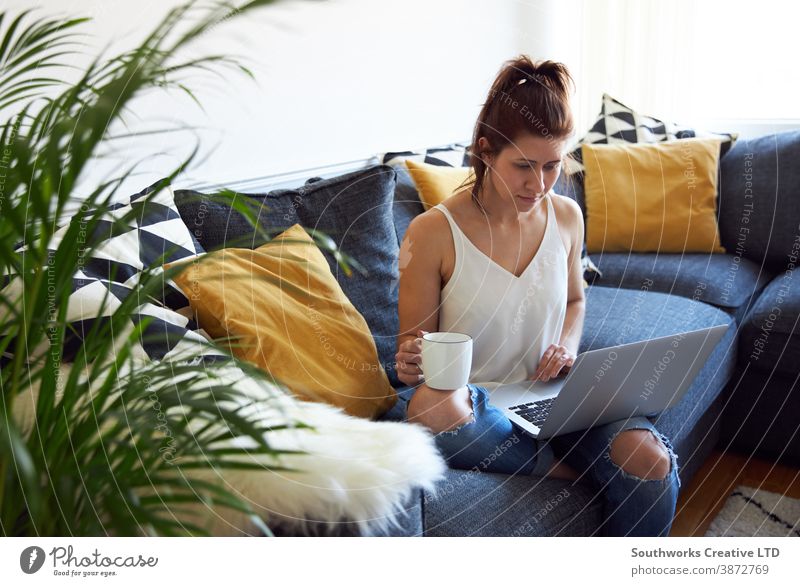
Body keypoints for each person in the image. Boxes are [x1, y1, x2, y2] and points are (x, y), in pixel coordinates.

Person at [394, 55, 681, 537]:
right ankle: (562, 469)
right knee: (430, 408)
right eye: (523, 166)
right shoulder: (433, 232)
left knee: (649, 462)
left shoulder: (566, 216)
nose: (539, 184)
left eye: (552, 166)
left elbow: (575, 301)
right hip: (476, 407)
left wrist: (567, 346)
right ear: (485, 152)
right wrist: (409, 360)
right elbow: (415, 351)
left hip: (555, 397)